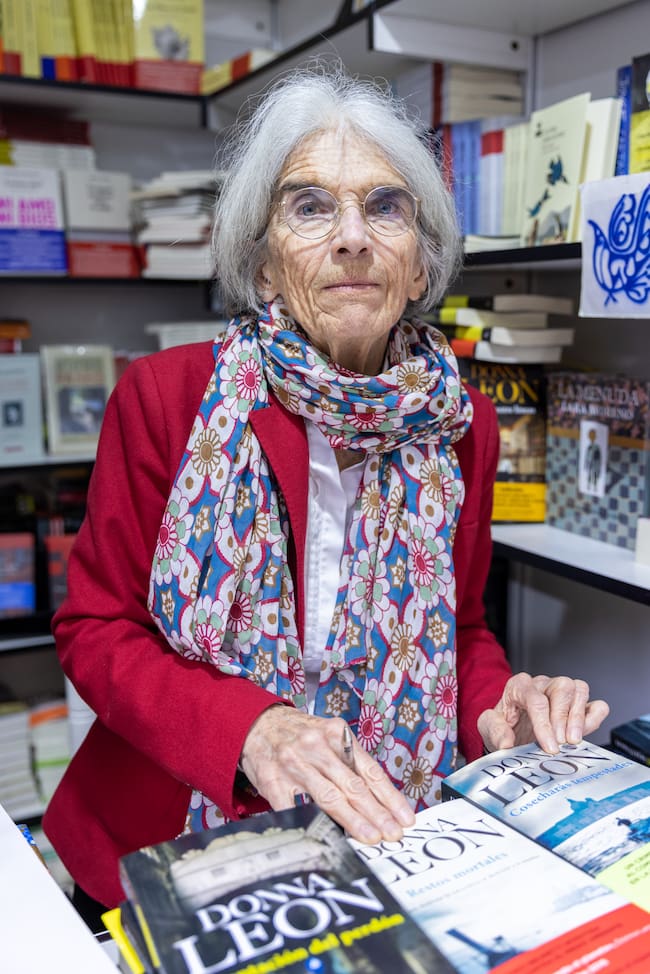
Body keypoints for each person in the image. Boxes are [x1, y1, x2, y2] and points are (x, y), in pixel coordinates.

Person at [43, 66, 609, 922]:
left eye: (386, 208)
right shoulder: (168, 399)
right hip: (169, 846)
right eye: (310, 207)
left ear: (420, 267)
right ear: (264, 264)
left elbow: (457, 632)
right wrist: (251, 731)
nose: (353, 238)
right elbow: (96, 630)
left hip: (389, 838)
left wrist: (503, 711)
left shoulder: (465, 425)